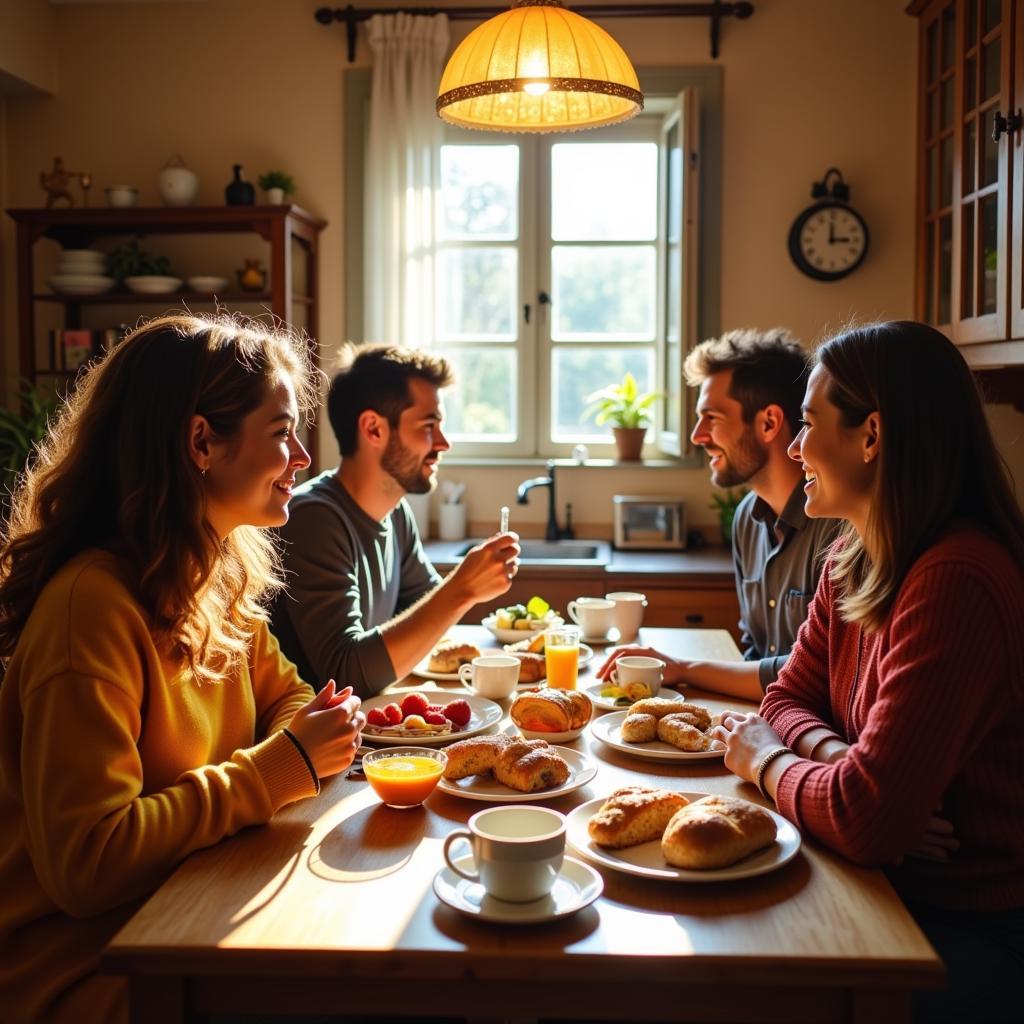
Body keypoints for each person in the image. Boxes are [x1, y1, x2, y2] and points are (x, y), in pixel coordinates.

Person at [0, 313, 365, 1024]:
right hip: (86, 973)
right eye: (281, 433)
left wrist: (296, 749)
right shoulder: (91, 611)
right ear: (201, 441)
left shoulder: (211, 582)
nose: (301, 457)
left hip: (186, 913)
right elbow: (88, 865)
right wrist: (274, 772)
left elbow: (291, 700)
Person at [712, 321, 1024, 1022]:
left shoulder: (956, 580)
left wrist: (766, 763)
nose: (793, 449)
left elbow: (865, 818)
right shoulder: (855, 556)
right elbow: (788, 695)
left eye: (809, 424)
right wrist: (838, 759)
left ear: (871, 436)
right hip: (883, 883)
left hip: (971, 925)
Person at [598, 328, 840, 700]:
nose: (697, 435)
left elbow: (823, 671)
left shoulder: (836, 527)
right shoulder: (746, 519)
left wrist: (684, 669)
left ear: (769, 423)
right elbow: (753, 652)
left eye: (711, 417)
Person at [269, 343, 519, 698]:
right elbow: (343, 674)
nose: (444, 443)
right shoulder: (314, 519)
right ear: (373, 429)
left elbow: (423, 609)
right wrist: (462, 588)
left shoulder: (395, 513)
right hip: (323, 743)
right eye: (429, 426)